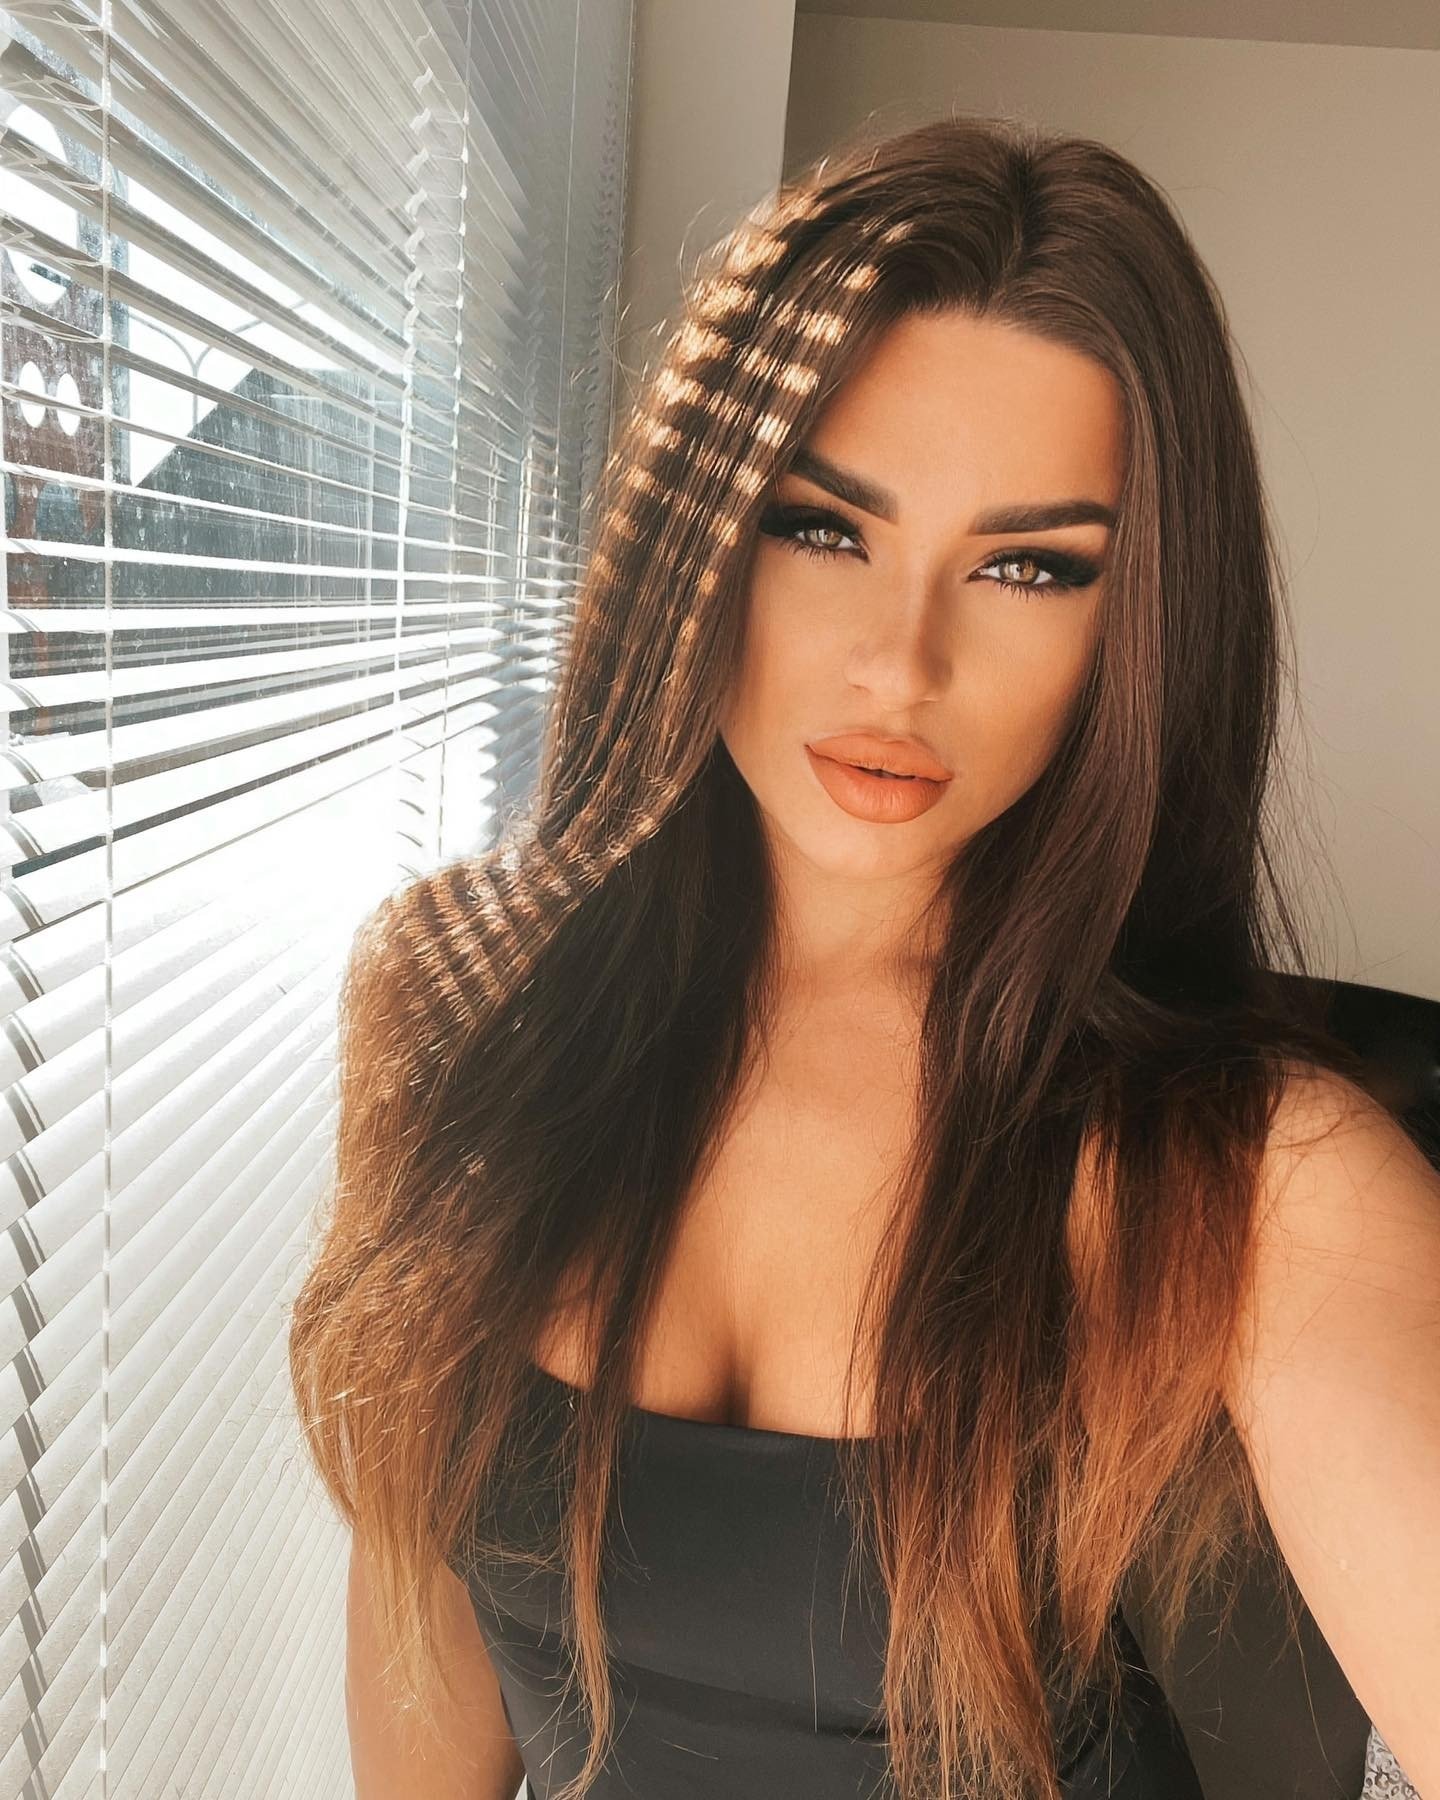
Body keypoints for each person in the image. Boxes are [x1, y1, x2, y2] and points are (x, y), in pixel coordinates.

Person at [289, 112, 1440, 1800]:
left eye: (1030, 567)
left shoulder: (1257, 1175)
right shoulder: (456, 1002)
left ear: (1137, 632)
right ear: (696, 535)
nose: (903, 665)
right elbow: (425, 1618)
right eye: (826, 528)